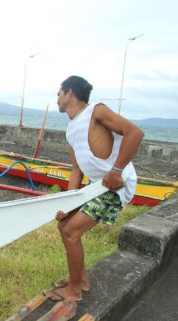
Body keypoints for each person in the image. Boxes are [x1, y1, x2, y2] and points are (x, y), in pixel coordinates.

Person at [43, 75, 143, 304]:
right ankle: (81, 280)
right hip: (97, 185)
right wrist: (69, 205)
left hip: (116, 184)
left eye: (59, 94)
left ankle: (74, 291)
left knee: (72, 232)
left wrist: (116, 171)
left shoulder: (95, 111)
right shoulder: (70, 129)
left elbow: (135, 133)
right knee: (64, 225)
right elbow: (76, 171)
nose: (57, 99)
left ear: (70, 93)